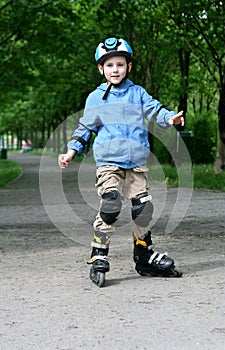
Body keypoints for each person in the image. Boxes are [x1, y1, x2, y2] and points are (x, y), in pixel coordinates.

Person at [58, 37, 184, 287]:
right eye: (109, 65)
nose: (115, 70)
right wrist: (72, 151)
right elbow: (85, 127)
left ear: (129, 66)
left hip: (136, 164)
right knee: (111, 204)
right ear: (100, 69)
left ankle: (144, 254)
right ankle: (99, 254)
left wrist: (170, 119)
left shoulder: (137, 93)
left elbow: (155, 109)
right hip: (108, 163)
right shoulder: (96, 98)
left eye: (120, 64)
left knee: (143, 209)